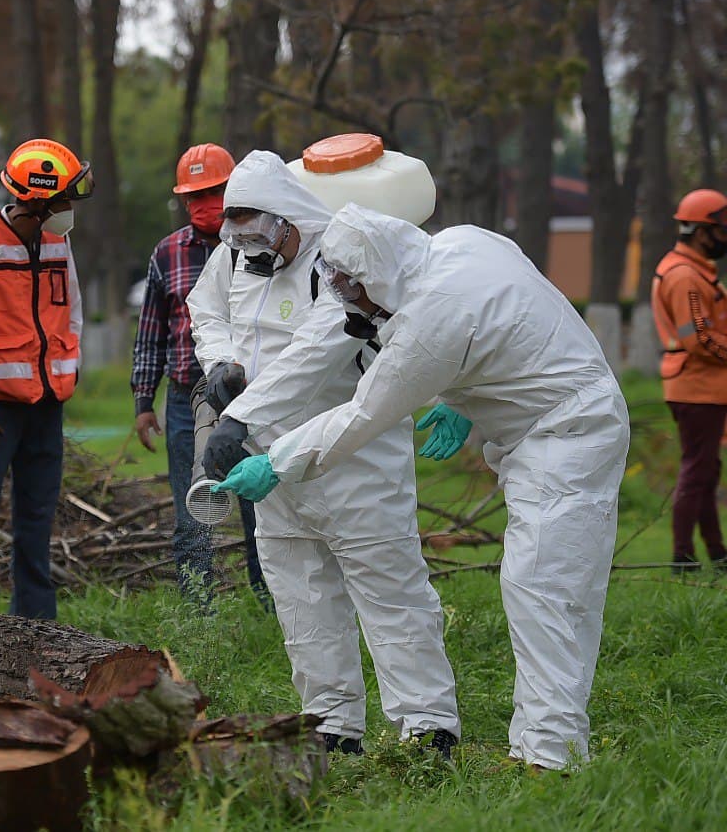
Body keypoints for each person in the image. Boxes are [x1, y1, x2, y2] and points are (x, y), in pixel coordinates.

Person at [220, 202, 630, 771]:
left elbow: (362, 415)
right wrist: (462, 392)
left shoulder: (430, 324)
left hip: (568, 430)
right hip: (546, 418)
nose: (352, 308)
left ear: (376, 276)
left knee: (542, 587)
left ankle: (551, 758)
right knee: (545, 585)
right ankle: (546, 744)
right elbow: (511, 304)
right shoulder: (461, 241)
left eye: (354, 294)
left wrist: (277, 462)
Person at [190, 148, 460, 758]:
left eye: (259, 230)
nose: (250, 245)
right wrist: (221, 364)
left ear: (288, 217)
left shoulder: (336, 258)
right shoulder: (232, 256)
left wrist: (237, 415)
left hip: (350, 453)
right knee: (300, 590)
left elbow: (317, 351)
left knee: (388, 588)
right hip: (269, 461)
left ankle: (427, 727)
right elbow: (204, 310)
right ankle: (332, 724)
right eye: (239, 232)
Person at [0, 139, 91, 619]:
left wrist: (67, 374)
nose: (69, 210)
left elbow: (71, 312)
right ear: (38, 201)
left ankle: (36, 623)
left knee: (37, 520)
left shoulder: (59, 241)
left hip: (47, 405)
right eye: (64, 200)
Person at [130, 142, 267, 607]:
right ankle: (197, 607)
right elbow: (150, 333)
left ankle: (271, 599)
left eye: (213, 193)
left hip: (252, 396)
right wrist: (143, 401)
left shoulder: (255, 245)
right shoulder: (167, 253)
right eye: (194, 197)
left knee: (261, 502)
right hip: (188, 399)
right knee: (193, 504)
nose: (203, 205)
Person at [651, 188, 727, 572]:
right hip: (697, 388)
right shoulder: (685, 277)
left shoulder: (693, 270)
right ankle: (682, 558)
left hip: (704, 387)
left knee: (706, 471)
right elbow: (696, 339)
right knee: (697, 471)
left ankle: (717, 552)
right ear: (701, 231)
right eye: (721, 229)